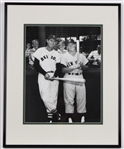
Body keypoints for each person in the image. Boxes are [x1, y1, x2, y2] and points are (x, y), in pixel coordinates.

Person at [32, 35, 61, 123]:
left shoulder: (57, 53)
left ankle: (50, 119)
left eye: (54, 41)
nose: (53, 42)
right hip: (43, 75)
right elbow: (36, 65)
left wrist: (55, 76)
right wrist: (45, 73)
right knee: (45, 97)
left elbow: (58, 67)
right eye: (51, 40)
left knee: (53, 98)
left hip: (54, 76)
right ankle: (55, 112)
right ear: (47, 41)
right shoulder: (40, 51)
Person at [61, 39, 89, 123]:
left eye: (72, 45)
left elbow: (87, 68)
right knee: (69, 99)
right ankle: (69, 117)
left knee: (81, 98)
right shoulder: (64, 56)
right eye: (69, 45)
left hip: (79, 77)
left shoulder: (81, 56)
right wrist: (73, 67)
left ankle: (82, 116)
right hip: (68, 78)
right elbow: (62, 70)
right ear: (67, 47)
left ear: (75, 46)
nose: (71, 46)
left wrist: (82, 67)